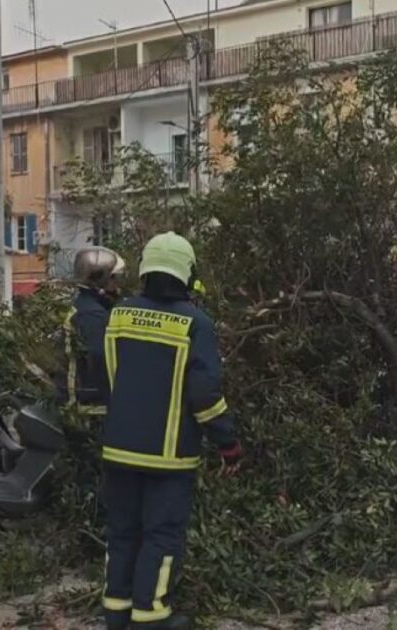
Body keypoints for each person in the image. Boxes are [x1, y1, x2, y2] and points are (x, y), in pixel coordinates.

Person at [100, 232, 243, 629]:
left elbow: (112, 376)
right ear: (187, 274)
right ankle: (151, 615)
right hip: (169, 453)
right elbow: (205, 395)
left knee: (122, 532)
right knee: (162, 536)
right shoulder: (195, 323)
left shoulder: (119, 314)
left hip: (119, 447)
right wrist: (227, 443)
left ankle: (116, 612)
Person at [62, 247, 126, 416]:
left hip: (90, 401)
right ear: (100, 281)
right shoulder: (92, 315)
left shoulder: (87, 306)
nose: (117, 286)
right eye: (113, 279)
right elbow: (102, 358)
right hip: (93, 407)